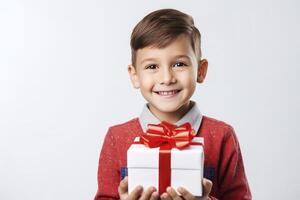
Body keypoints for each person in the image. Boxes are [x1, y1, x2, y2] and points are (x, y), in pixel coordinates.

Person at [94, 8, 251, 200]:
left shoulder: (222, 136)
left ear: (200, 70)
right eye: (152, 67)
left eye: (179, 64)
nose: (167, 78)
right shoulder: (116, 138)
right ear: (134, 76)